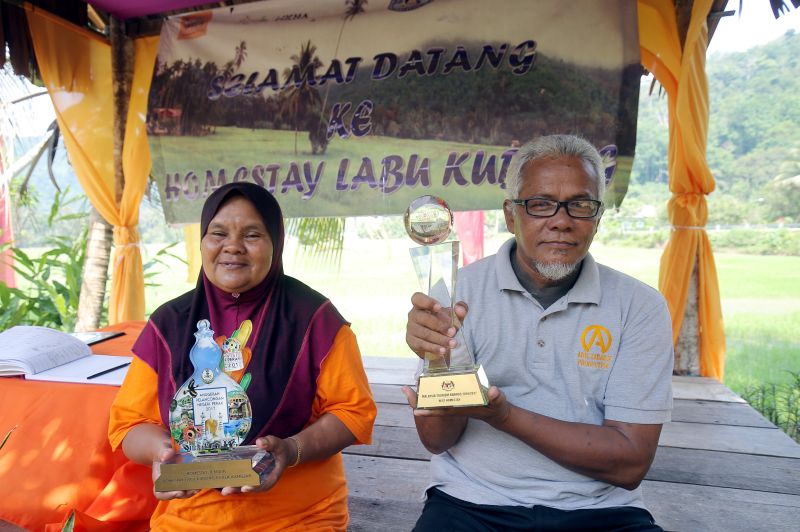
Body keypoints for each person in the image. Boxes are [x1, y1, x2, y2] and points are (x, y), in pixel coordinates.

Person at [403, 134, 673, 531]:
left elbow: (630, 463)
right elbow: (438, 440)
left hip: (602, 511)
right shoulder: (456, 292)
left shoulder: (640, 306)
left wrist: (504, 415)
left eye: (580, 205)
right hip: (471, 502)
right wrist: (437, 362)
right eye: (541, 204)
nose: (561, 221)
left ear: (597, 218)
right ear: (511, 216)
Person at [109, 182, 377, 530]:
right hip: (191, 520)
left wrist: (291, 450)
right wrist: (162, 453)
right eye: (218, 233)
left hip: (299, 518)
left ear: (275, 244)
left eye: (252, 235)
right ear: (203, 242)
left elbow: (353, 412)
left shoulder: (314, 318)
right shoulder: (169, 323)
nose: (232, 247)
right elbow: (129, 425)